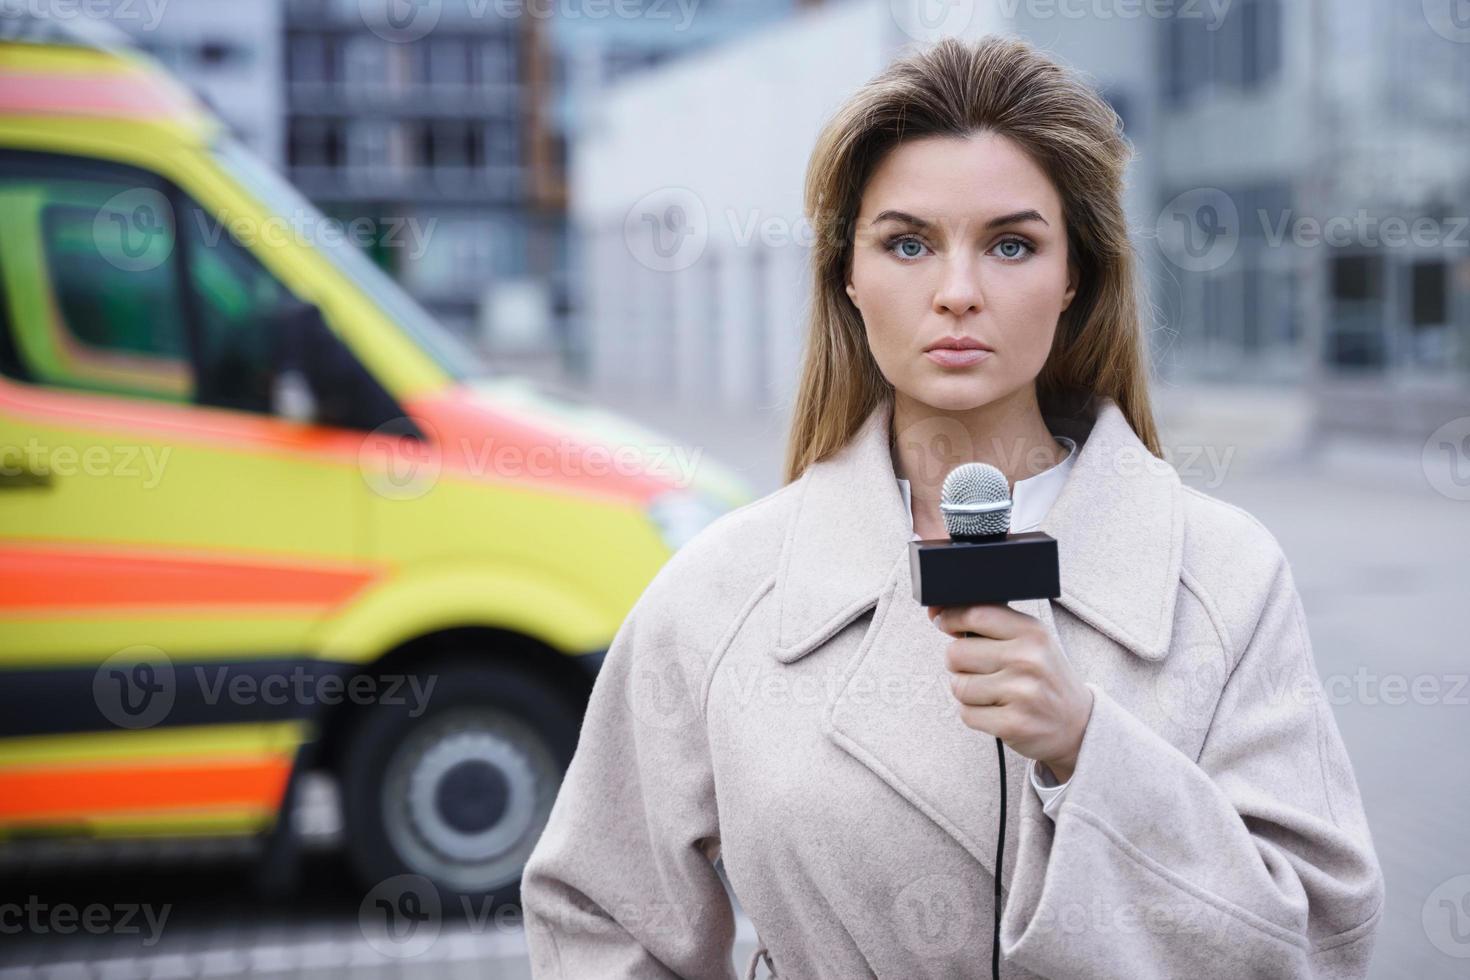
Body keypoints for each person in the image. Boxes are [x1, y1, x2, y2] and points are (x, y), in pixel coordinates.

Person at [520, 34, 1384, 979]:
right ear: (847, 276)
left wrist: (1087, 750)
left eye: (1012, 244)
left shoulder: (1222, 575)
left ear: (1075, 278)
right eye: (907, 244)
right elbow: (599, 918)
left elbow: (1320, 937)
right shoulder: (724, 595)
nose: (958, 293)